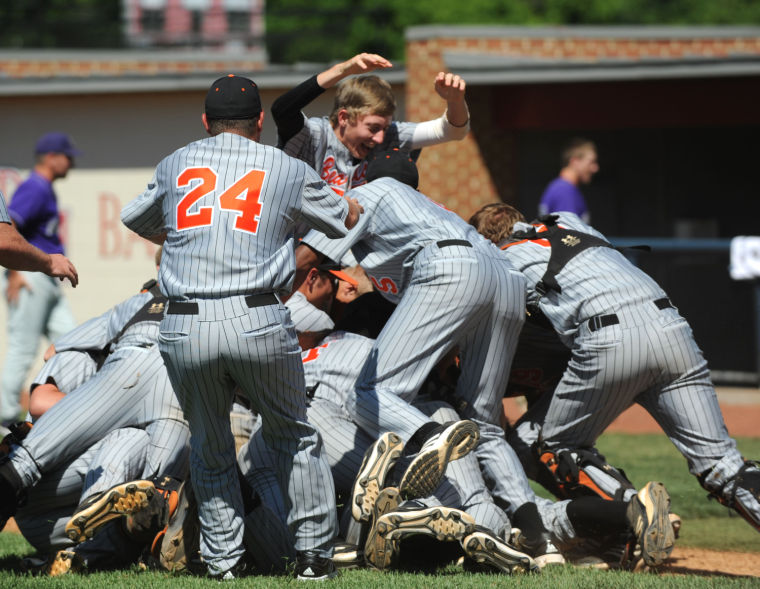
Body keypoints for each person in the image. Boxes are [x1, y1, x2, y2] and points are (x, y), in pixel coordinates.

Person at [120, 74, 363, 580]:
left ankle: (222, 562)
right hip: (257, 317)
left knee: (209, 443)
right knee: (294, 435)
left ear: (206, 122)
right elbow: (344, 217)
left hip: (184, 320)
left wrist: (203, 230)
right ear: (258, 121)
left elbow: (138, 221)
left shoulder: (176, 162)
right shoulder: (285, 166)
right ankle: (315, 557)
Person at [469, 203, 760, 537]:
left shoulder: (499, 258)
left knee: (535, 444)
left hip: (610, 338)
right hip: (673, 327)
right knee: (723, 465)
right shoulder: (572, 226)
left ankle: (632, 518)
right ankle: (642, 517)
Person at [271, 52, 470, 197]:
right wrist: (343, 70)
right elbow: (282, 109)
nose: (380, 138)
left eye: (384, 128)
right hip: (295, 249)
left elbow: (451, 131)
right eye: (373, 128)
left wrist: (455, 100)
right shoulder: (313, 135)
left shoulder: (390, 136)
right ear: (343, 117)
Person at [1, 133, 82, 427]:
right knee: (23, 348)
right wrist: (14, 274)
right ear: (51, 157)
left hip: (45, 280)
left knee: (71, 341)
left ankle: (72, 408)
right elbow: (9, 230)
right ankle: (6, 418)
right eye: (67, 156)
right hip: (29, 276)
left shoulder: (43, 188)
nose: (71, 162)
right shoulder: (34, 187)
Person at [538, 138, 598, 222]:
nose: (595, 168)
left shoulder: (560, 187)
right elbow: (567, 233)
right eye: (591, 162)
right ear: (575, 162)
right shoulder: (565, 191)